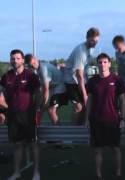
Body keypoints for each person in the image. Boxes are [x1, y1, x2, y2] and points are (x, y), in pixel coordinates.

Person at [1, 49, 41, 180]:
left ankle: (36, 172)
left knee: (33, 144)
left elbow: (38, 94)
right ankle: (17, 172)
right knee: (17, 144)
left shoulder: (31, 76)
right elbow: (2, 95)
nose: (15, 60)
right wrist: (8, 109)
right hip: (13, 116)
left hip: (28, 116)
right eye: (13, 58)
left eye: (18, 58)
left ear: (23, 60)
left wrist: (37, 109)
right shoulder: (6, 76)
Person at [86, 53, 125, 180]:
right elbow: (89, 101)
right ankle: (98, 175)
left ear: (109, 63)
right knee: (98, 150)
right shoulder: (92, 81)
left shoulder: (117, 80)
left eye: (104, 62)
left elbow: (122, 100)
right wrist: (87, 118)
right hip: (96, 120)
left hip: (113, 120)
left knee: (115, 149)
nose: (102, 64)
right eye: (100, 62)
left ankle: (118, 173)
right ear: (97, 64)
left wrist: (123, 119)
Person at [63, 27, 100, 124]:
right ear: (87, 38)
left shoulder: (90, 49)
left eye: (96, 41)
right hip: (71, 81)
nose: (95, 43)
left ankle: (82, 132)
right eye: (93, 40)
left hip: (80, 80)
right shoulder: (81, 51)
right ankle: (74, 134)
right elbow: (79, 74)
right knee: (78, 107)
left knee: (85, 107)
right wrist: (84, 95)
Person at [25, 54, 67, 125]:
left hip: (61, 88)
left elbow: (46, 89)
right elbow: (42, 87)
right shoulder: (37, 68)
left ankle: (58, 132)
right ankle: (36, 127)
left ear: (36, 59)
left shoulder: (43, 69)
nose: (33, 66)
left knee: (50, 110)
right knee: (41, 109)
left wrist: (43, 103)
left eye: (34, 63)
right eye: (31, 65)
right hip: (54, 87)